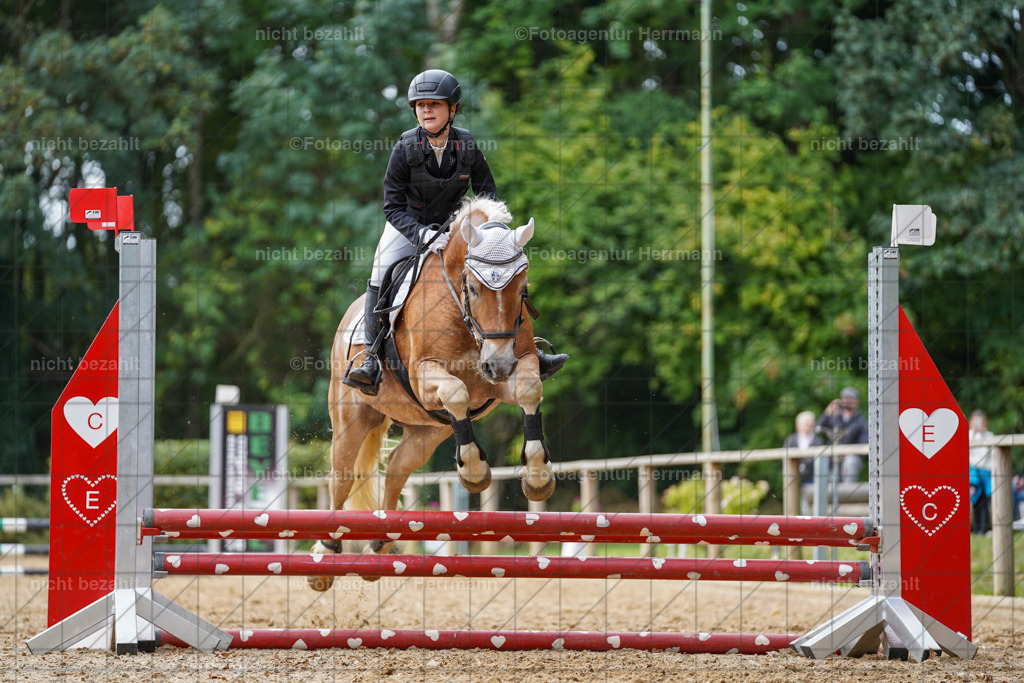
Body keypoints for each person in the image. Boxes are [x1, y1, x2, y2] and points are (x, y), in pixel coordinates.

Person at [343, 69, 567, 395]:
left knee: (503, 271)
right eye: (420, 105)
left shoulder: (467, 144)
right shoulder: (405, 147)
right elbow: (391, 207)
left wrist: (492, 235)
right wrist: (423, 235)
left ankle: (528, 349)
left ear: (453, 109)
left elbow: (489, 195)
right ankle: (371, 359)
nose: (426, 110)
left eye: (434, 104)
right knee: (381, 273)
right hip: (407, 227)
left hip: (457, 229)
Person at [815, 387, 869, 483]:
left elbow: (864, 443)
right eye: (845, 398)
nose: (847, 401)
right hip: (832, 458)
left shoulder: (861, 421)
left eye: (851, 399)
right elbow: (818, 429)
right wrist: (827, 413)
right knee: (820, 460)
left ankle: (848, 491)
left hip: (850, 458)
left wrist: (848, 452)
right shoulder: (834, 418)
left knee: (851, 462)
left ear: (857, 401)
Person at [784, 410, 824, 515]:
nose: (808, 426)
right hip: (793, 478)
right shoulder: (791, 440)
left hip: (811, 479)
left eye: (810, 424)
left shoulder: (818, 441)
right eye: (805, 424)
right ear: (798, 425)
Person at [968, 410, 994, 534]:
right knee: (975, 501)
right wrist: (974, 433)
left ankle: (983, 529)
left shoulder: (989, 435)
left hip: (985, 474)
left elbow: (986, 453)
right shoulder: (968, 435)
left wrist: (982, 433)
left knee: (984, 502)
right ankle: (976, 529)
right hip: (973, 474)